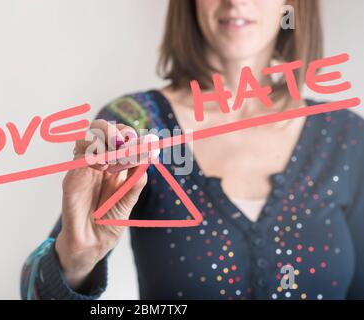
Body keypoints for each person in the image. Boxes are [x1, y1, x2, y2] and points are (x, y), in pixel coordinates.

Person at [20, 0, 364, 300]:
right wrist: (76, 257)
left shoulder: (346, 135)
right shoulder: (137, 125)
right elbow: (36, 292)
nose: (236, 1)